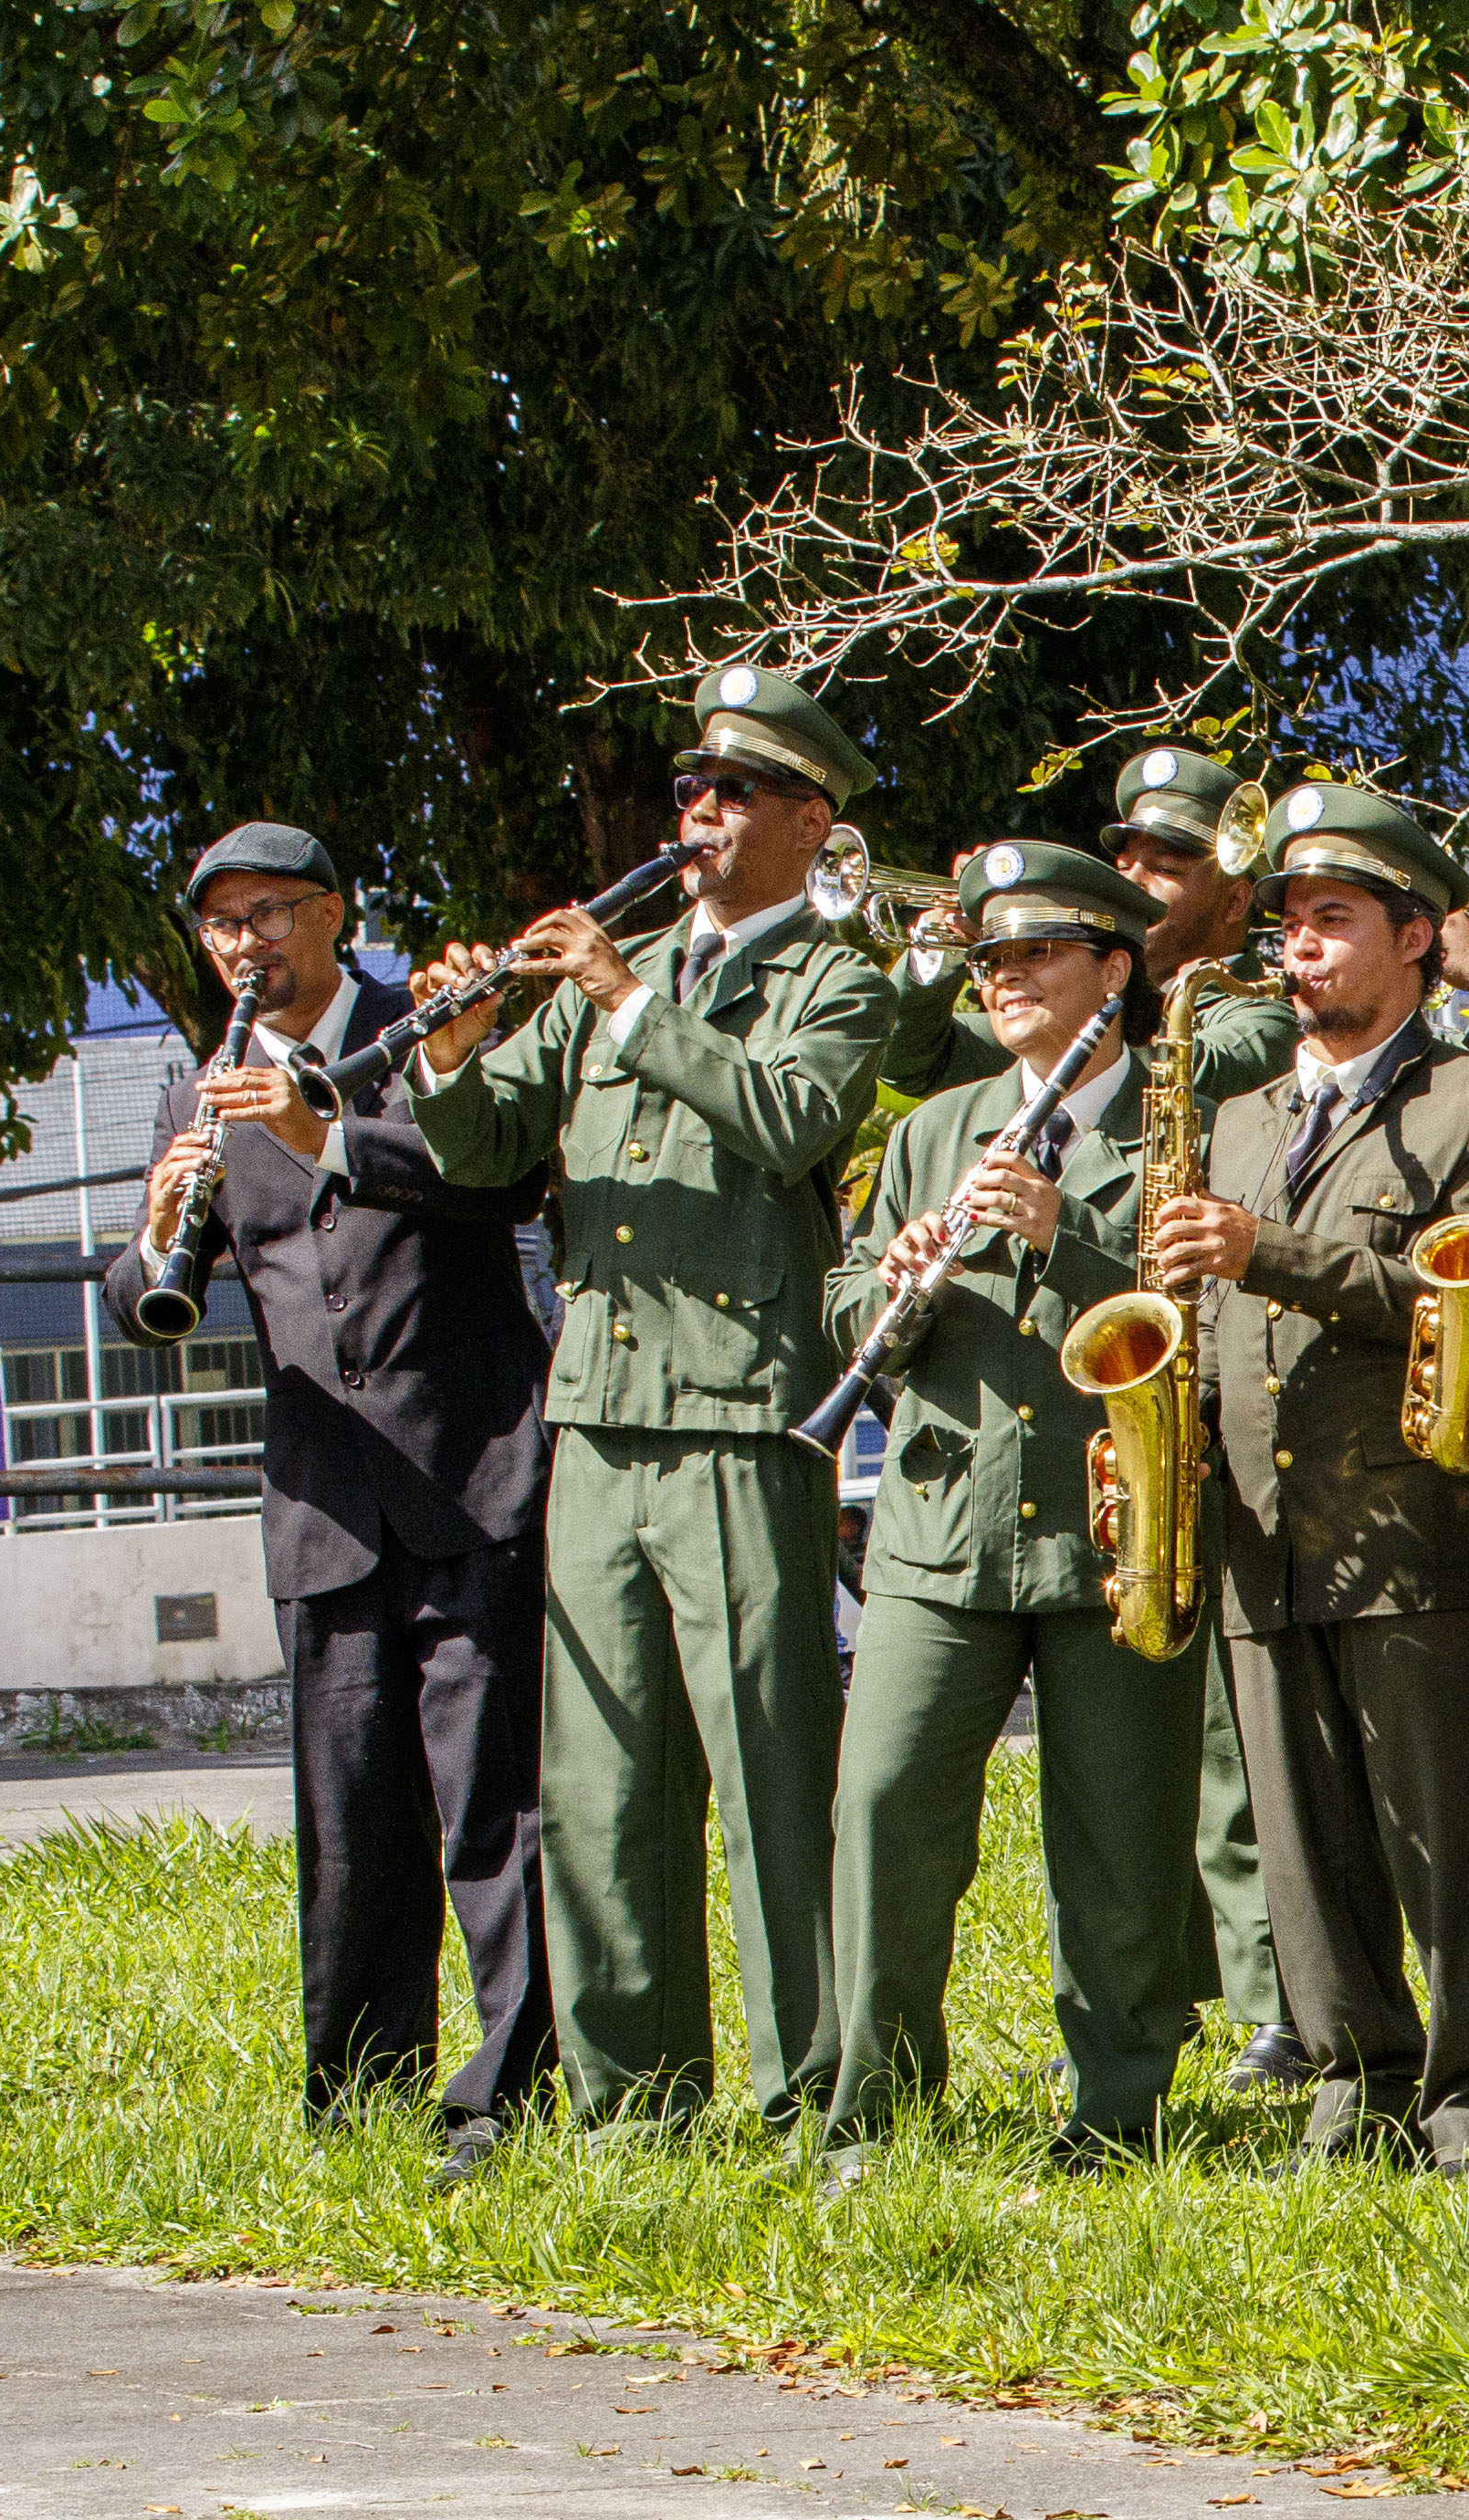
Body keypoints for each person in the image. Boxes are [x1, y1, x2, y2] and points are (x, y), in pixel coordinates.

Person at [411, 663, 895, 2133]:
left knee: (767, 1769)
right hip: (602, 1413)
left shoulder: (834, 974)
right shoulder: (614, 972)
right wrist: (449, 1046)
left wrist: (626, 1005)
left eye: (734, 793)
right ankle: (636, 2098)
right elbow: (491, 1151)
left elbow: (789, 1115)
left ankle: (811, 2089)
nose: (698, 811)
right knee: (601, 1779)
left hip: (745, 1414)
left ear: (811, 821)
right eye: (691, 788)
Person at [110, 820, 551, 2181]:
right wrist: (150, 1232)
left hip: (474, 1471)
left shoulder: (422, 1027)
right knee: (348, 1818)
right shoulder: (198, 1090)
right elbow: (144, 1308)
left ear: (338, 912)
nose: (250, 942)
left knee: (496, 1810)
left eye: (274, 912)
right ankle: (356, 2097)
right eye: (223, 923)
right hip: (324, 1504)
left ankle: (502, 2099)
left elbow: (498, 1181)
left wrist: (326, 1130)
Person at [1144, 784, 1469, 2176]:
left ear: (1417, 937)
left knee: (1450, 1846)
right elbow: (1196, 1309)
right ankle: (1354, 2083)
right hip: (1265, 1531)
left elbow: (1461, 1303)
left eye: (1335, 922)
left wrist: (1271, 1253)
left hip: (1416, 1525)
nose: (1299, 948)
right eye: (1291, 924)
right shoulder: (1241, 1114)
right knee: (1304, 1850)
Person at [815, 842, 1212, 2170]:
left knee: (1120, 1836)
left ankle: (1120, 2110)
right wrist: (894, 1290)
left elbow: (1201, 1310)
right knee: (883, 1805)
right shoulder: (936, 1127)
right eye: (987, 960)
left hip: (1115, 1519)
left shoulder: (1180, 1117)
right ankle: (871, 2110)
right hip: (943, 1520)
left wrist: (1062, 1235)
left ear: (1113, 969)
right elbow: (837, 1303)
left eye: (1033, 954)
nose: (1002, 979)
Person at [1101, 741, 1311, 2093]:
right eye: (1122, 858)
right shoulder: (1141, 998)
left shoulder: (1238, 1010)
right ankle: (1184, 1978)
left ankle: (1278, 2003)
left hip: (1240, 1370)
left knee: (1246, 1736)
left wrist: (1090, 970)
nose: (1133, 880)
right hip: (1150, 1368)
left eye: (1168, 862)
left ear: (1237, 896)